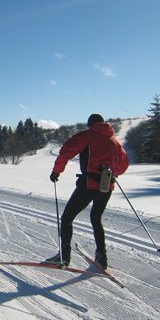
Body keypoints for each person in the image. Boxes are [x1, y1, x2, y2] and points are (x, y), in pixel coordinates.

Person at [45, 114, 129, 270]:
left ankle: (64, 257)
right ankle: (101, 257)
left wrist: (56, 172)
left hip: (89, 184)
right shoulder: (114, 140)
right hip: (106, 185)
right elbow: (124, 164)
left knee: (67, 218)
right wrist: (112, 172)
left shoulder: (88, 135)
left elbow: (66, 151)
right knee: (96, 218)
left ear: (90, 124)